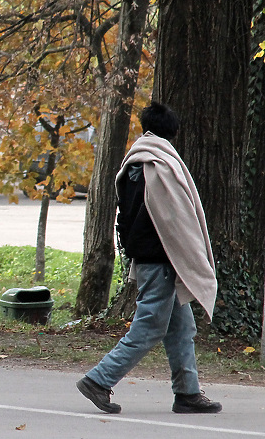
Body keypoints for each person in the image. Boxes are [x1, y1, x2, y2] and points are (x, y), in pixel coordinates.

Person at [77, 101, 222, 415]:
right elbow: (174, 221)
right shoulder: (160, 166)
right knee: (149, 327)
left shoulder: (133, 163)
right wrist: (188, 256)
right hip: (162, 260)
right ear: (172, 134)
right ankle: (99, 380)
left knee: (181, 329)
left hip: (146, 257)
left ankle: (187, 393)